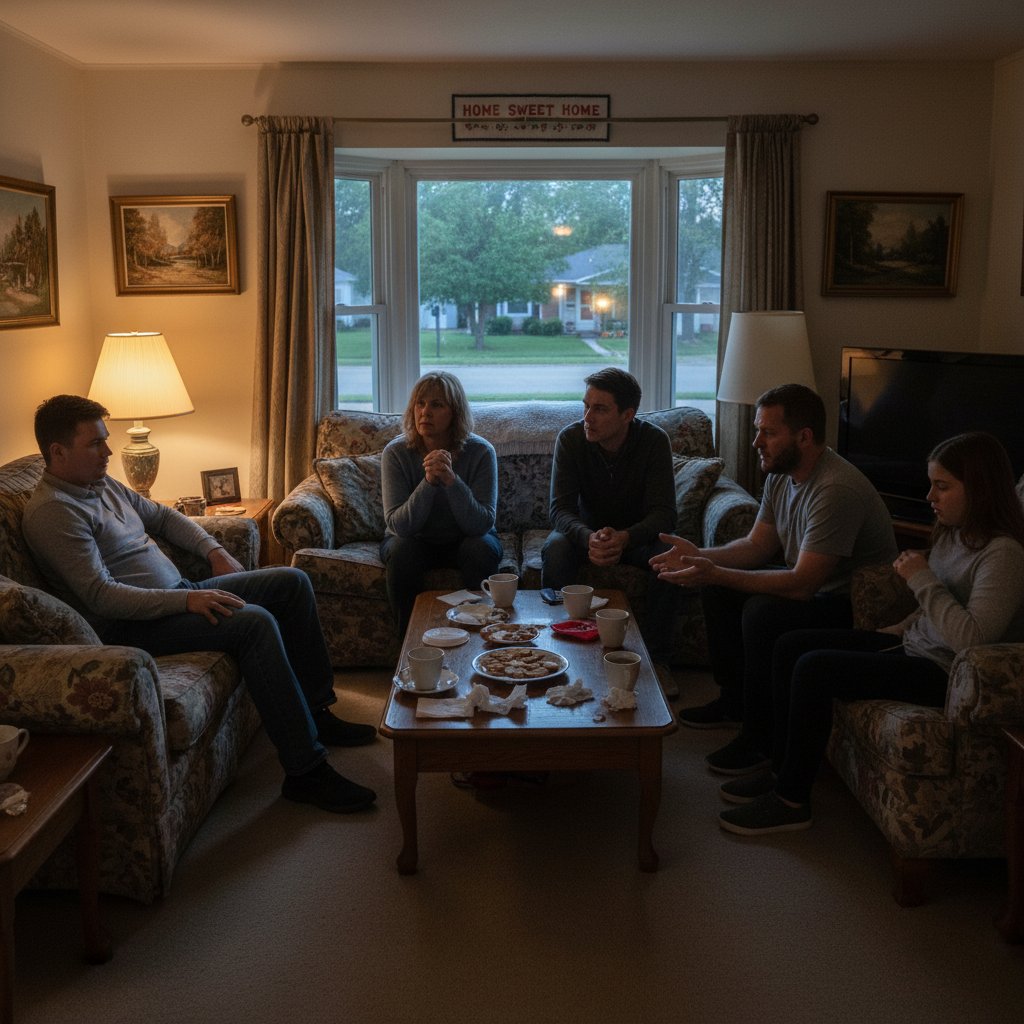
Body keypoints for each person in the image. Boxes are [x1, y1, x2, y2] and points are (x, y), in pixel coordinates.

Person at [23, 395, 377, 816]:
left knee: (291, 582)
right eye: (95, 444)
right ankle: (306, 771)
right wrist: (188, 599)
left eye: (106, 440)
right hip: (131, 627)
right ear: (58, 452)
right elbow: (102, 595)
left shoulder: (100, 484)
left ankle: (317, 710)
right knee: (254, 622)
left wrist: (213, 551)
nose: (108, 451)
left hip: (179, 591)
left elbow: (163, 518)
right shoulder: (53, 513)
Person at [717, 431, 1024, 835]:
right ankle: (778, 766)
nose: (930, 496)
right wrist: (895, 629)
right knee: (791, 644)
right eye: (931, 484)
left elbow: (972, 639)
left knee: (813, 668)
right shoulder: (954, 532)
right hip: (914, 645)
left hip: (945, 673)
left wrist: (922, 580)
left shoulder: (1003, 554)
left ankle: (791, 800)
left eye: (942, 487)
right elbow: (936, 610)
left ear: (980, 489)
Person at [651, 383, 897, 746]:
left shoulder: (835, 489)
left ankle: (758, 735)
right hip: (816, 589)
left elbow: (802, 585)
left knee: (762, 613)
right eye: (756, 431)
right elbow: (756, 545)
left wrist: (715, 570)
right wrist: (699, 557)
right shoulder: (781, 475)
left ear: (804, 436)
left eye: (768, 432)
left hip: (855, 608)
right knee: (718, 588)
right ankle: (734, 702)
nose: (756, 443)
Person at [541, 366, 679, 690]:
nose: (588, 416)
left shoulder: (654, 441)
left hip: (638, 537)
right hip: (586, 536)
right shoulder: (572, 438)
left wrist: (627, 537)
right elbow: (559, 509)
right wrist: (588, 537)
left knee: (672, 556)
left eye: (600, 409)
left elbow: (665, 513)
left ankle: (659, 661)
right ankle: (555, 649)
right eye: (585, 406)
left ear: (627, 414)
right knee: (555, 548)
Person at [380, 371, 502, 634]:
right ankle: (408, 644)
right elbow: (399, 525)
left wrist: (451, 481)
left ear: (455, 412)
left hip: (465, 539)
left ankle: (478, 637)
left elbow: (481, 523)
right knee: (402, 551)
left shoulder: (481, 452)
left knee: (480, 547)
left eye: (436, 405)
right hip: (415, 539)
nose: (425, 412)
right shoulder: (396, 453)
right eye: (420, 403)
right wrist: (429, 482)